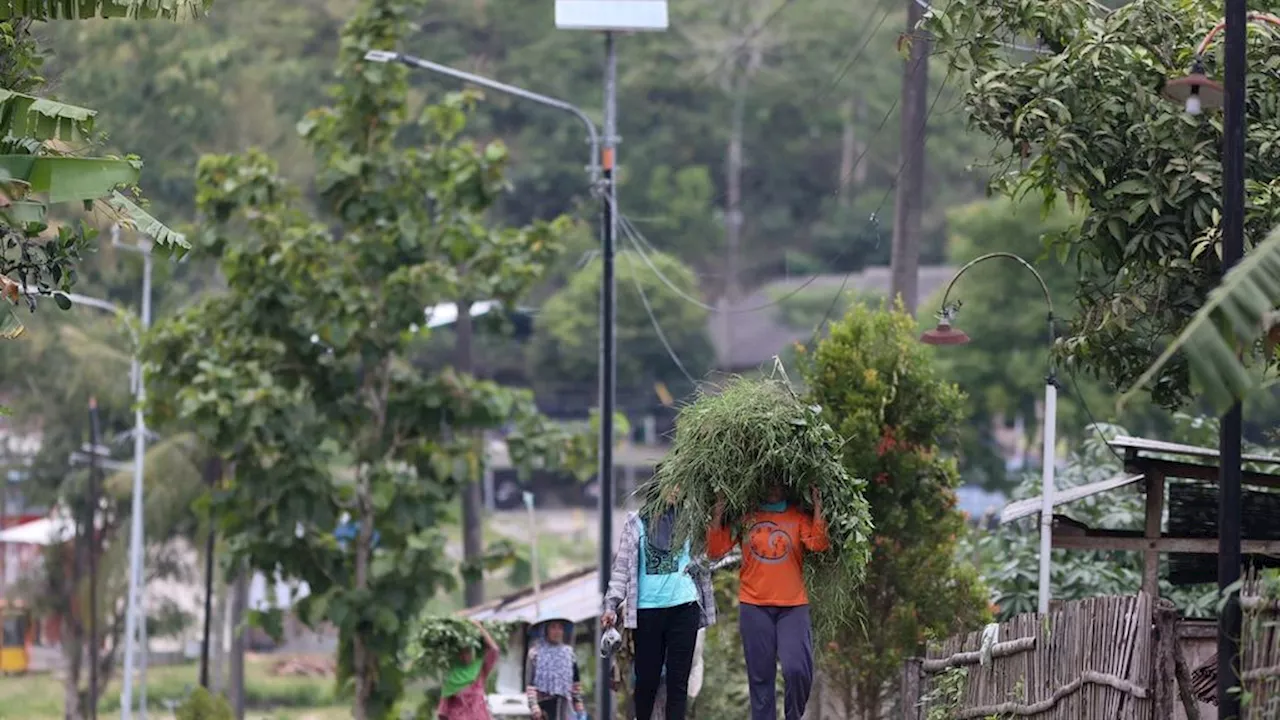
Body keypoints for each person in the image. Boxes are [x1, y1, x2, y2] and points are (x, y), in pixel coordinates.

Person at [707, 484, 829, 720]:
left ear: (786, 486)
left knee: (797, 670)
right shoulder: (746, 519)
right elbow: (714, 549)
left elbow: (819, 544)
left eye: (777, 482)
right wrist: (718, 511)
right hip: (754, 605)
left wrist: (817, 507)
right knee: (761, 677)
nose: (772, 488)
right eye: (768, 481)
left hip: (793, 606)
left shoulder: (797, 517)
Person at [602, 488, 716, 720]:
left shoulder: (690, 520)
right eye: (670, 486)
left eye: (678, 486)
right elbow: (621, 568)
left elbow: (709, 555)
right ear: (657, 488)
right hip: (648, 611)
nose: (675, 492)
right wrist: (610, 605)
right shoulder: (636, 523)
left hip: (685, 606)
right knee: (646, 680)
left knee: (678, 682)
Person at [436, 620, 500, 720]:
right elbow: (443, 711)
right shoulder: (451, 675)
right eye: (462, 652)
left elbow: (494, 650)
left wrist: (479, 628)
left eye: (468, 651)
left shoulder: (479, 668)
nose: (465, 655)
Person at [524, 618, 585, 719]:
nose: (557, 631)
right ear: (545, 630)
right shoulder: (535, 653)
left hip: (564, 707)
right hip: (542, 708)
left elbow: (575, 684)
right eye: (553, 627)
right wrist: (533, 705)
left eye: (560, 628)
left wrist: (579, 706)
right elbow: (530, 683)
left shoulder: (569, 653)